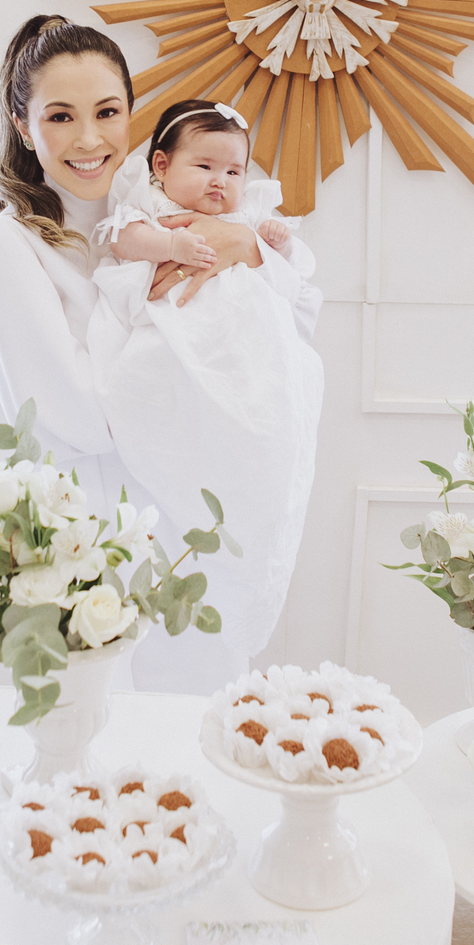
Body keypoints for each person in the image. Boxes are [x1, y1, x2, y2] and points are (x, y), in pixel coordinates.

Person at [0, 14, 322, 692]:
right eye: (61, 117)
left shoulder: (161, 205)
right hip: (94, 538)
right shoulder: (7, 243)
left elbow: (298, 322)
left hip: (194, 526)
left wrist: (246, 247)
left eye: (107, 112)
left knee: (200, 723)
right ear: (24, 126)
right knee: (103, 725)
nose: (89, 139)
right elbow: (81, 418)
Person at [88, 100, 324, 659]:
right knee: (155, 383)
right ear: (162, 166)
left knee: (264, 426)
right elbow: (121, 239)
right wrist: (171, 245)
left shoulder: (246, 220)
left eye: (234, 170)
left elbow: (295, 280)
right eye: (205, 166)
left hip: (245, 350)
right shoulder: (151, 205)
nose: (221, 181)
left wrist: (271, 243)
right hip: (175, 337)